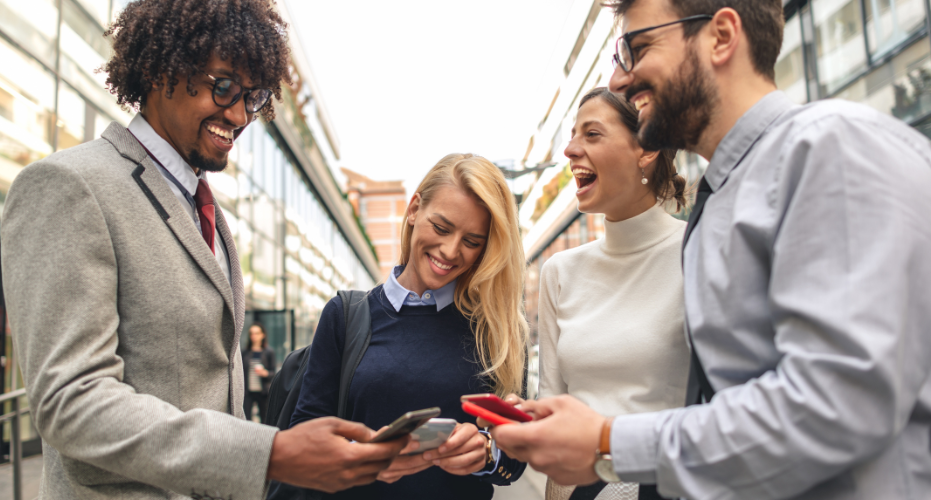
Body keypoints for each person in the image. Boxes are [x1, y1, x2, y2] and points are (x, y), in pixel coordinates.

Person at [490, 0, 931, 499]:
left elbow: (839, 407)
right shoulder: (722, 199)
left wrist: (608, 442)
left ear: (721, 36)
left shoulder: (829, 150)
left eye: (639, 48)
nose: (620, 80)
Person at [0, 1, 406, 498]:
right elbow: (73, 403)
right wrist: (270, 454)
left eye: (251, 98)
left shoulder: (205, 209)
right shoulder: (68, 186)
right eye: (223, 87)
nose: (238, 115)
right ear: (158, 69)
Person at [291, 154, 528, 499]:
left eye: (472, 241)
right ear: (415, 209)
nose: (450, 251)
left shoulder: (499, 330)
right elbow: (303, 436)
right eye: (442, 228)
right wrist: (363, 453)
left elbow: (514, 465)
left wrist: (486, 453)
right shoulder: (345, 315)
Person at [535, 87, 688, 500]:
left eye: (592, 134)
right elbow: (551, 403)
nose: (569, 149)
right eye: (572, 135)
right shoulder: (560, 272)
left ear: (646, 150)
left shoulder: (698, 253)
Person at [243, 323, 276, 422]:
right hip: (248, 392)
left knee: (264, 419)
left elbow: (273, 374)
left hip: (263, 392)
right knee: (246, 419)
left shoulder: (269, 352)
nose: (254, 336)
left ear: (263, 335)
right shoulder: (245, 352)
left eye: (257, 333)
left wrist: (265, 373)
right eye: (252, 333)